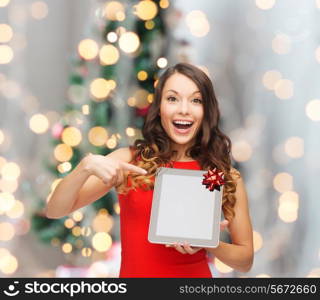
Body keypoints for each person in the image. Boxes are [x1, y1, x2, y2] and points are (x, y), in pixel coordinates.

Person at [46, 62, 253, 278]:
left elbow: (245, 260)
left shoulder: (219, 174)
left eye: (196, 100)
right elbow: (55, 210)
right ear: (159, 107)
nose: (184, 109)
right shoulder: (130, 162)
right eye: (172, 98)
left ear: (207, 110)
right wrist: (85, 166)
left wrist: (209, 243)